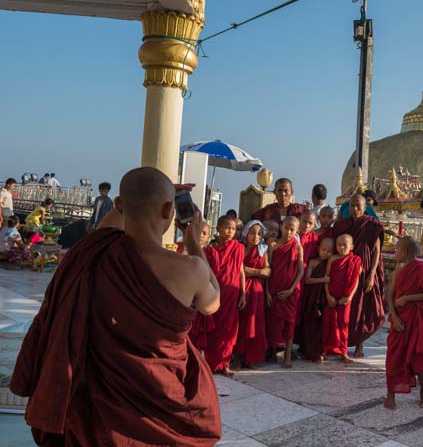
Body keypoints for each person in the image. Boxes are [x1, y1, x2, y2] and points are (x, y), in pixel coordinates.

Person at [10, 167, 222, 445]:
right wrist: (194, 243)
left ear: (118, 204)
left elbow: (111, 221)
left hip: (98, 411)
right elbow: (212, 304)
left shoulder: (93, 251)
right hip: (159, 396)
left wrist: (146, 193)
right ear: (169, 209)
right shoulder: (190, 269)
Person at [384, 236, 423, 410]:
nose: (395, 252)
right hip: (400, 320)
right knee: (394, 357)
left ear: (405, 252)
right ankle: (390, 395)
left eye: (397, 249)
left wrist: (407, 298)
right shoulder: (398, 272)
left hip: (416, 319)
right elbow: (390, 296)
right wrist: (394, 318)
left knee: (420, 355)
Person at [332, 194, 386, 357]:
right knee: (345, 308)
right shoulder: (342, 225)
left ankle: (359, 345)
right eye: (352, 206)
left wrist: (372, 274)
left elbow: (377, 251)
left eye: (358, 206)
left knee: (361, 309)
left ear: (365, 208)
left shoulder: (372, 225)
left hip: (365, 270)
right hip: (346, 272)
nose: (355, 209)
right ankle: (340, 343)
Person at [196, 215, 246, 376]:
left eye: (233, 229)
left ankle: (224, 364)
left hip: (231, 294)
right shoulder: (210, 250)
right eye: (227, 228)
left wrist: (243, 293)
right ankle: (210, 363)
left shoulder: (238, 248)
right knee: (213, 329)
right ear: (217, 228)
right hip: (214, 293)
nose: (230, 231)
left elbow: (240, 270)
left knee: (228, 331)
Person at [266, 216, 304, 368]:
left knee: (290, 323)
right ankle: (272, 351)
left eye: (292, 230)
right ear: (281, 227)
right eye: (287, 228)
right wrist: (267, 292)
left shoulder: (298, 247)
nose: (288, 232)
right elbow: (268, 270)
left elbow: (301, 271)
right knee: (273, 322)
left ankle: (287, 355)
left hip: (290, 292)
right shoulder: (273, 246)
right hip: (274, 290)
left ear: (297, 231)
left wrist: (291, 289)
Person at [322, 234, 362, 363]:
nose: (342, 247)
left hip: (346, 299)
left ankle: (343, 351)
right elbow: (327, 278)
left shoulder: (355, 261)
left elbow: (356, 281)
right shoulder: (332, 259)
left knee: (343, 324)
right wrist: (328, 296)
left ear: (352, 247)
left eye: (345, 245)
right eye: (339, 245)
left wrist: (349, 297)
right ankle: (324, 350)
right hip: (331, 297)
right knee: (328, 323)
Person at [235, 220, 270, 368]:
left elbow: (267, 272)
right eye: (252, 233)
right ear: (246, 233)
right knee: (241, 323)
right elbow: (239, 269)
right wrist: (258, 271)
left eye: (259, 233)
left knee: (255, 324)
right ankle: (238, 358)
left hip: (257, 292)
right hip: (242, 288)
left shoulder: (263, 251)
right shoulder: (241, 249)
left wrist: (252, 271)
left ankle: (251, 358)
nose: (256, 236)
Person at [297, 237, 334, 362]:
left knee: (321, 326)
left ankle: (320, 351)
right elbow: (307, 280)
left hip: (323, 297)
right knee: (310, 324)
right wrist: (323, 279)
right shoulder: (313, 262)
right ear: (318, 248)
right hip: (311, 297)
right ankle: (308, 351)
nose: (326, 253)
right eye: (323, 249)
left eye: (329, 251)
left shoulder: (330, 263)